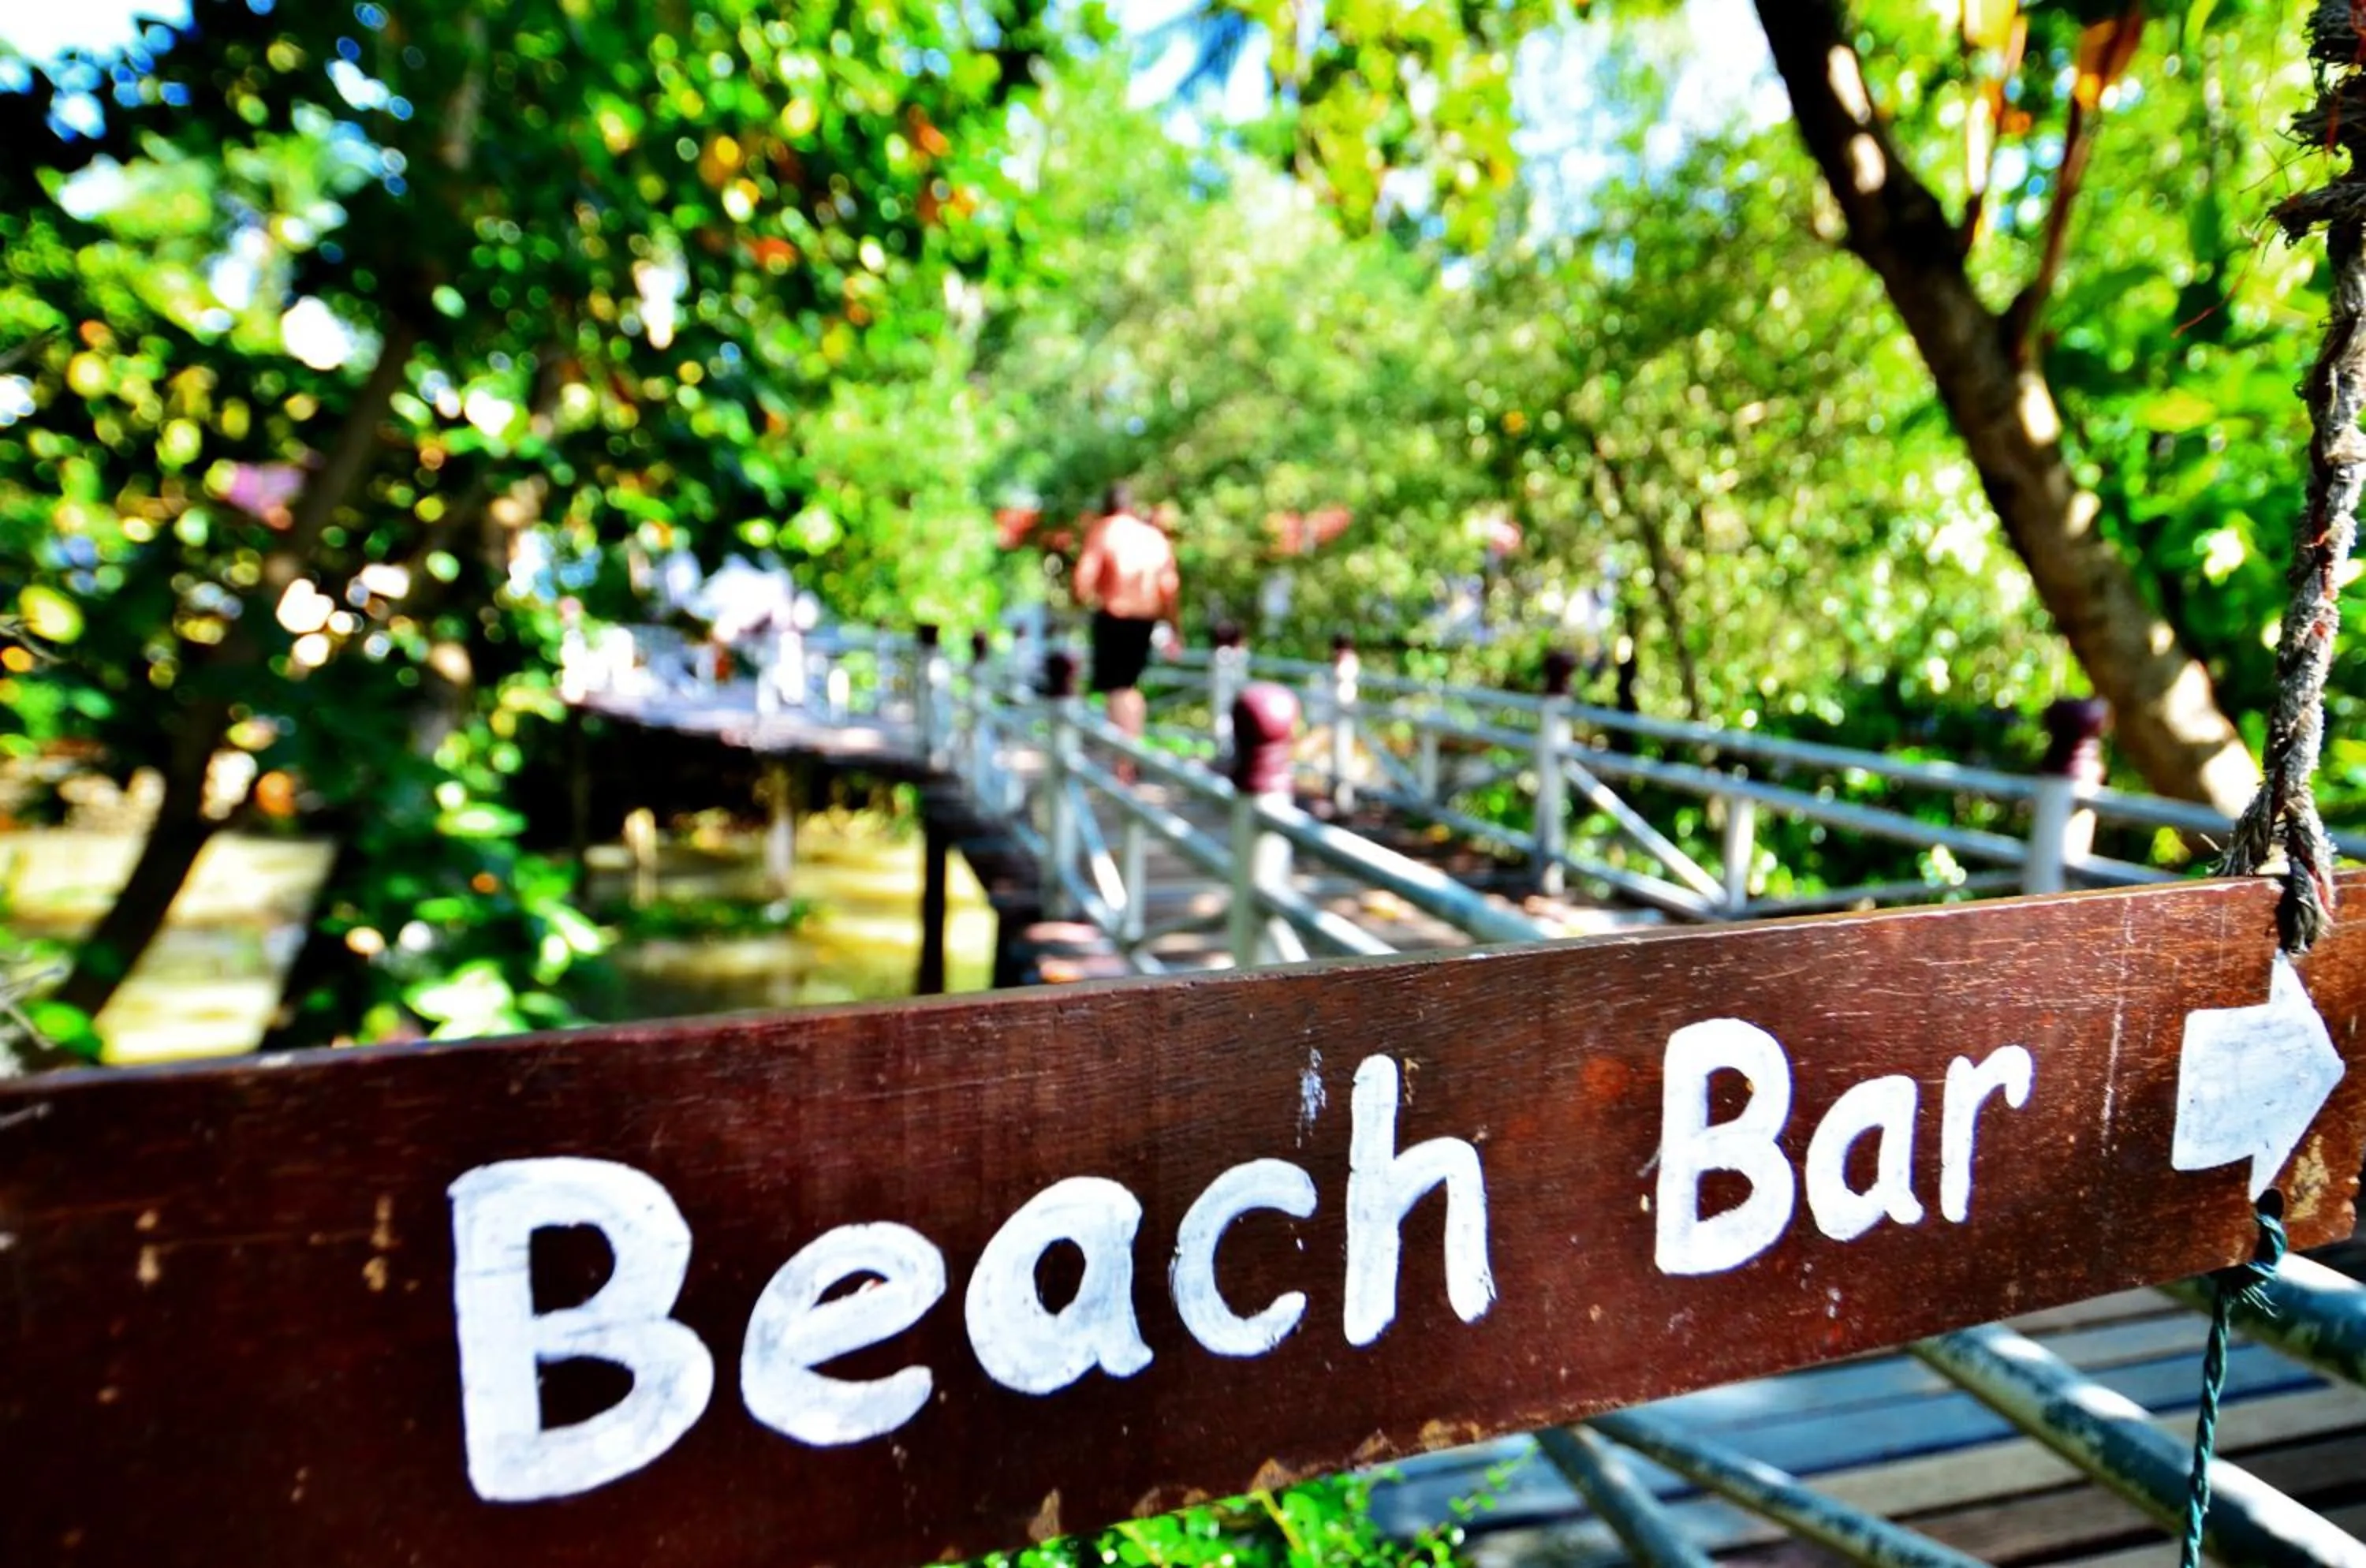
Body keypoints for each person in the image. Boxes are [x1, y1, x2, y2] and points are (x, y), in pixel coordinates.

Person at [1073, 481, 1178, 742]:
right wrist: (1176, 628)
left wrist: (1086, 596)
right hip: (1146, 620)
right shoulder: (1153, 537)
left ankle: (1125, 762)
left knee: (1118, 689)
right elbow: (1169, 587)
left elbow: (1082, 581)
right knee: (1130, 688)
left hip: (1115, 618)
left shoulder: (1105, 530)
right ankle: (1131, 753)